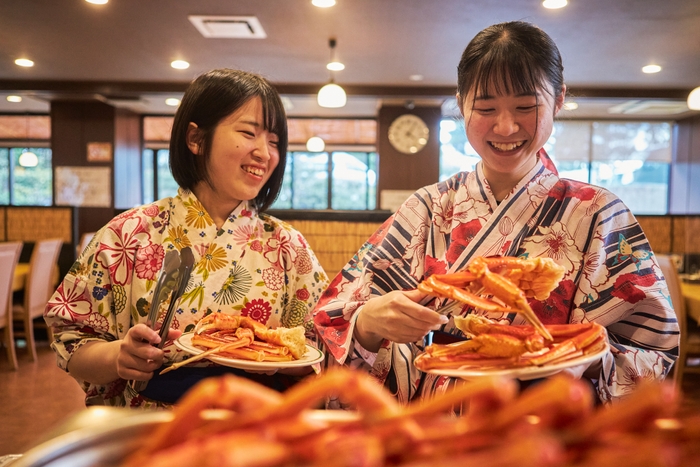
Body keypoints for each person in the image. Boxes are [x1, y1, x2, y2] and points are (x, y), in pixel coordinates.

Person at [313, 21, 679, 405]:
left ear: (558, 100)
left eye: (525, 106)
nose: (505, 126)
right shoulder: (425, 209)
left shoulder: (599, 214)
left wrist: (582, 361)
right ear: (461, 104)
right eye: (485, 108)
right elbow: (332, 320)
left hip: (542, 423)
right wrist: (369, 324)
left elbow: (654, 350)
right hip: (431, 424)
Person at [45, 69, 329, 408]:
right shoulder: (127, 234)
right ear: (195, 139)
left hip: (257, 429)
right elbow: (73, 339)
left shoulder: (288, 246)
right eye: (248, 133)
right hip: (152, 430)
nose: (265, 154)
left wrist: (290, 361)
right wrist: (119, 357)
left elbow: (320, 346)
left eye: (274, 142)